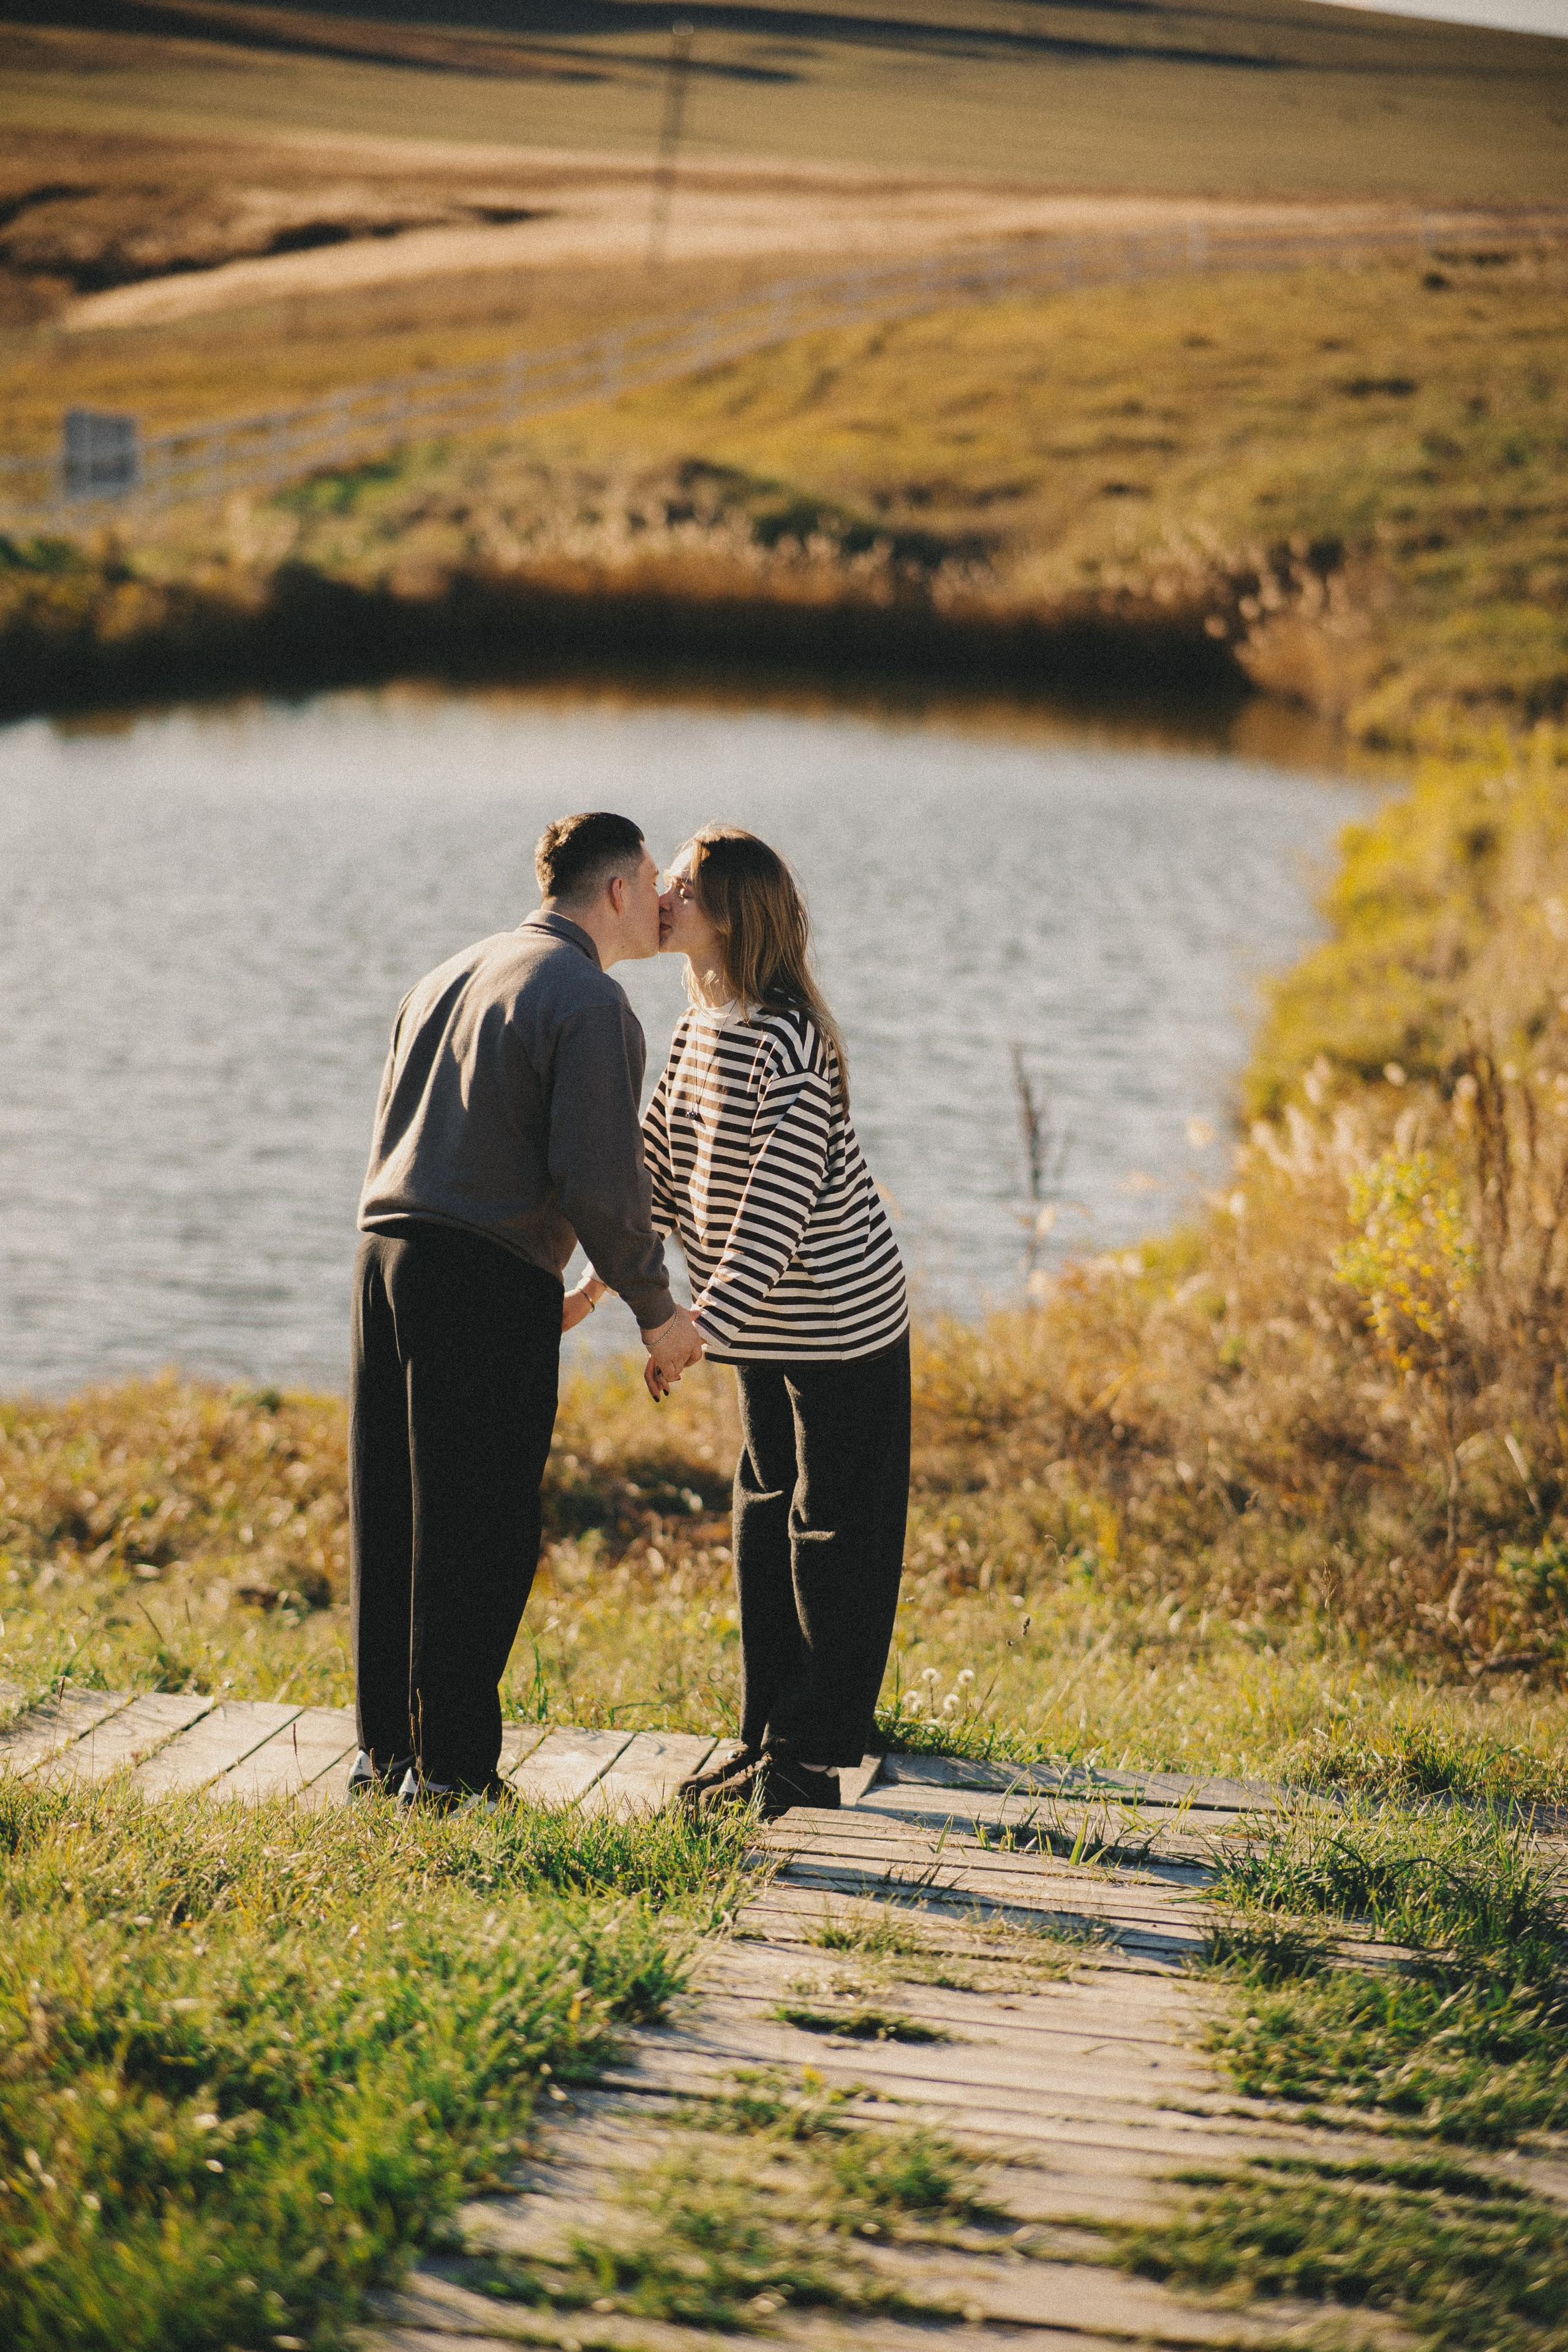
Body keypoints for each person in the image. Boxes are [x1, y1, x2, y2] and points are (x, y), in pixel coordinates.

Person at [350, 810, 703, 1810]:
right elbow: (600, 1179)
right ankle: (455, 1774)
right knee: (481, 1523)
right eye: (654, 879)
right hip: (483, 1273)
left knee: (394, 1511)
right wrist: (652, 1307)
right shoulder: (589, 1001)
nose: (668, 903)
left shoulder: (448, 971)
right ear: (619, 890)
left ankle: (387, 1762)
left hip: (385, 1256)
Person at [568, 825, 910, 1820]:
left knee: (833, 1531)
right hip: (757, 1328)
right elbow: (655, 1178)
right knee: (766, 1517)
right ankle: (768, 1733)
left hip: (841, 1326)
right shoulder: (697, 1030)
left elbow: (777, 1210)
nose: (659, 894)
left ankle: (813, 1758)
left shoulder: (791, 1041)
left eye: (681, 886)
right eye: (665, 880)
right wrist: (600, 1292)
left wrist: (696, 1323)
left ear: (729, 915)